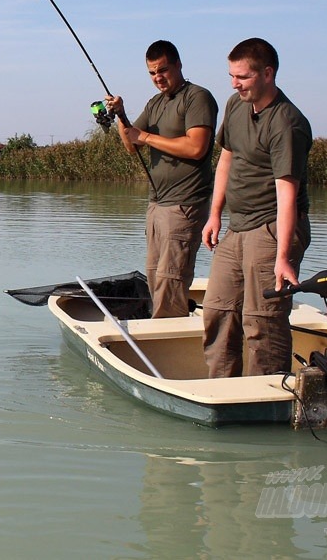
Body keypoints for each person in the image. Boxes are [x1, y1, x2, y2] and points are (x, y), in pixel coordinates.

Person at [200, 37, 312, 378]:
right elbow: (226, 159)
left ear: (268, 73)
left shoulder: (287, 123)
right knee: (217, 310)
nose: (235, 84)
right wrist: (215, 214)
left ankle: (265, 394)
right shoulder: (236, 105)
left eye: (243, 77)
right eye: (232, 76)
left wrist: (282, 256)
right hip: (238, 227)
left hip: (273, 227)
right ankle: (221, 391)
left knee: (262, 320)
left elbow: (287, 194)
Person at [105, 40, 218, 318]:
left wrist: (145, 137)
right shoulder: (155, 103)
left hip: (184, 205)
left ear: (178, 65)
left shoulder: (197, 97)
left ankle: (169, 338)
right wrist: (121, 115)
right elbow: (132, 145)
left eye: (163, 70)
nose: (158, 78)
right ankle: (162, 328)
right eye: (152, 73)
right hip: (157, 204)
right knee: (156, 277)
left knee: (171, 279)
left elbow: (196, 147)